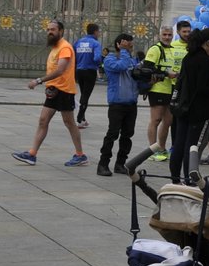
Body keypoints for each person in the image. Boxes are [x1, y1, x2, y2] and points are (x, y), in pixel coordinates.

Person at [12, 19, 88, 167]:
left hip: (64, 90)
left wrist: (39, 80)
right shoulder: (55, 47)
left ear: (61, 31)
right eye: (48, 29)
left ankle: (80, 155)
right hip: (54, 91)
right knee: (43, 121)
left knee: (70, 123)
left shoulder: (65, 48)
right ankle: (32, 154)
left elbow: (60, 70)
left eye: (53, 29)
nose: (49, 32)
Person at [169, 27, 209, 183]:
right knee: (192, 146)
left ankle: (175, 178)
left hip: (184, 106)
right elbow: (202, 89)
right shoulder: (206, 61)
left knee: (179, 144)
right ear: (208, 43)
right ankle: (190, 178)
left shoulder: (189, 57)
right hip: (199, 109)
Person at [96, 33, 139, 176]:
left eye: (131, 45)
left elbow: (136, 78)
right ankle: (103, 164)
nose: (130, 48)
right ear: (119, 45)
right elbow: (121, 66)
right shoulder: (110, 59)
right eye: (128, 45)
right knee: (112, 134)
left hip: (131, 104)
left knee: (128, 135)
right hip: (117, 104)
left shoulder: (132, 61)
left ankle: (120, 164)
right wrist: (124, 52)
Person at [143, 22, 186, 163]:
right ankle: (151, 150)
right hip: (158, 89)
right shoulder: (155, 49)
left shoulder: (172, 49)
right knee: (156, 120)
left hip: (171, 89)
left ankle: (161, 148)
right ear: (159, 35)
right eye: (164, 35)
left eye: (169, 35)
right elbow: (147, 68)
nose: (167, 37)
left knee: (168, 121)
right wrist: (167, 73)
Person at [73, 22, 103, 128]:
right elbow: (97, 58)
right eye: (99, 31)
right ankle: (79, 119)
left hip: (79, 71)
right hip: (90, 71)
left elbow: (73, 56)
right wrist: (98, 64)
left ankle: (83, 118)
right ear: (95, 32)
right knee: (86, 95)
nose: (99, 34)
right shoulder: (95, 43)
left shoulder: (78, 42)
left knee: (83, 93)